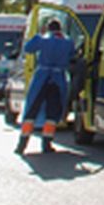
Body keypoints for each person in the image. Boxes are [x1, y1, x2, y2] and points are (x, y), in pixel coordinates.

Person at [16, 19, 75, 155]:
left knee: (32, 110)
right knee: (52, 112)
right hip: (58, 78)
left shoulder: (43, 39)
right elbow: (72, 56)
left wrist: (38, 34)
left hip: (42, 77)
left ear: (49, 28)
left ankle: (22, 144)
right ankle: (47, 144)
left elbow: (28, 48)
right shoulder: (68, 41)